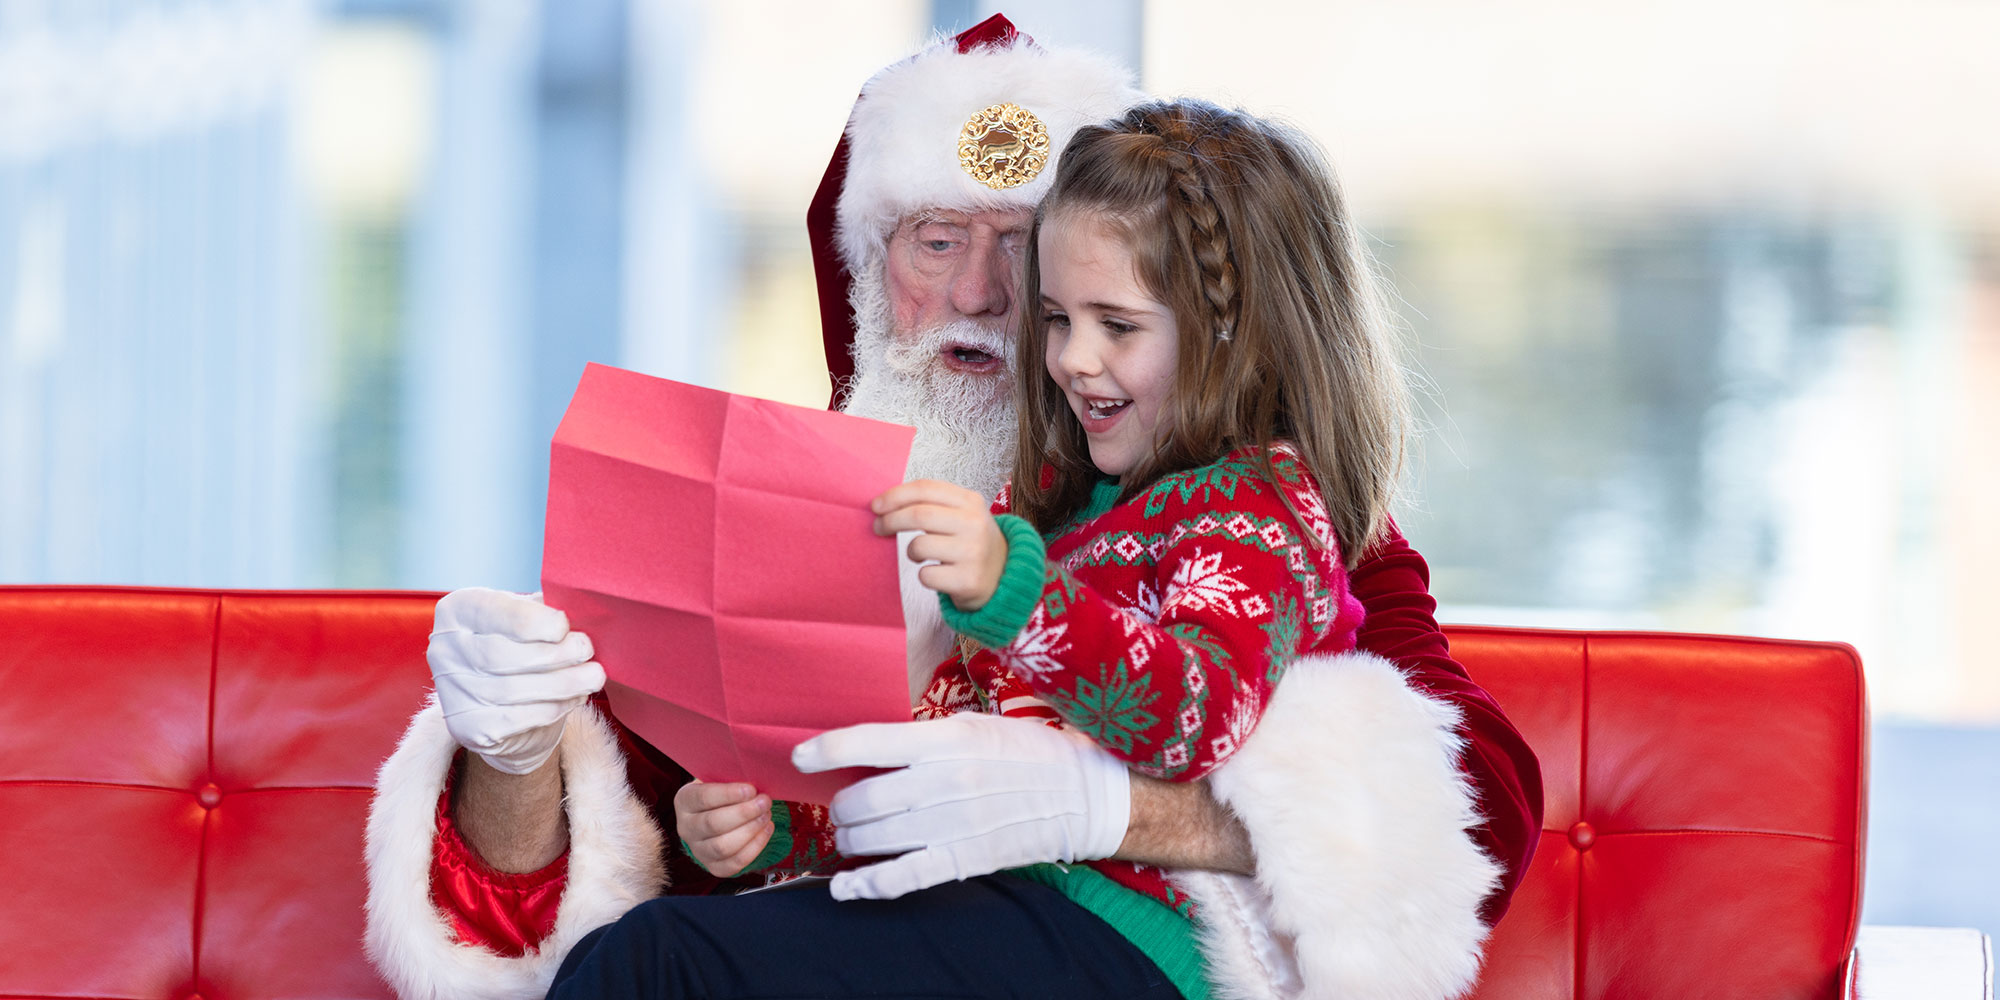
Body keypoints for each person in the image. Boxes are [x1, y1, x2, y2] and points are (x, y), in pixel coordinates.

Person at [364, 15, 1541, 1000]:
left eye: (1025, 255)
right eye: (935, 242)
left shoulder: (1261, 510)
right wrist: (512, 748)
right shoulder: (751, 519)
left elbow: (1471, 804)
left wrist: (1111, 809)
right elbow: (521, 925)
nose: (984, 298)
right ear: (861, 273)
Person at [627, 98, 1414, 1000]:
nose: (1071, 359)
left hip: (1137, 945)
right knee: (656, 952)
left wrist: (1016, 592)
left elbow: (1200, 710)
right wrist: (779, 829)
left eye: (1116, 326)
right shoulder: (1068, 509)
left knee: (662, 960)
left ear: (1237, 336)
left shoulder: (1253, 511)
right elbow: (947, 762)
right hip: (996, 908)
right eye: (1056, 320)